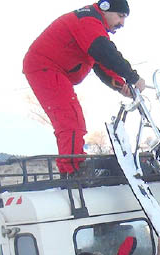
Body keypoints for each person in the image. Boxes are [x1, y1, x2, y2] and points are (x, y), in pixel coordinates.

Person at [23, 0, 146, 176]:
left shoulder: (93, 27)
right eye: (120, 16)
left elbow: (102, 65)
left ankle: (74, 165)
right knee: (70, 117)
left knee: (71, 117)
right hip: (45, 68)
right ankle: (73, 171)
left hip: (52, 70)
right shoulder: (87, 20)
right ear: (105, 8)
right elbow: (105, 52)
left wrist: (121, 86)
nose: (122, 23)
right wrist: (133, 77)